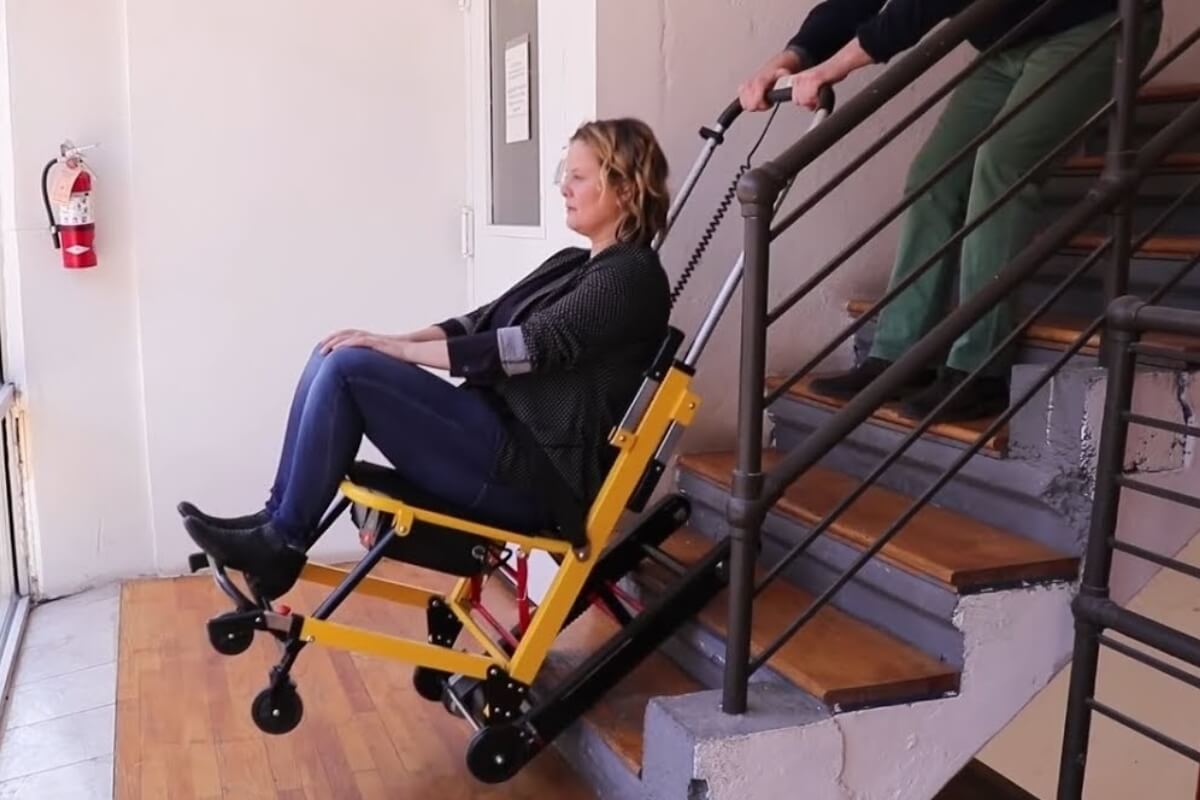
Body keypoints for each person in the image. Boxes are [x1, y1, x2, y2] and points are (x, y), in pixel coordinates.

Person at [180, 118, 672, 599]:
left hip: (532, 473)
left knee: (350, 370)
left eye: (579, 176)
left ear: (625, 190)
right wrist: (387, 340)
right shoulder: (572, 264)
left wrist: (399, 352)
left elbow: (528, 347)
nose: (564, 186)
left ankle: (280, 543)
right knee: (335, 352)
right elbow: (482, 322)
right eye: (566, 174)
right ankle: (272, 522)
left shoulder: (630, 276)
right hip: (495, 438)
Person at [739, 0, 1162, 422]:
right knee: (933, 174)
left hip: (1097, 22)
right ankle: (900, 357)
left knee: (1003, 163)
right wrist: (791, 58)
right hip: (1010, 40)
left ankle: (981, 370)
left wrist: (832, 69)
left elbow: (918, 8)